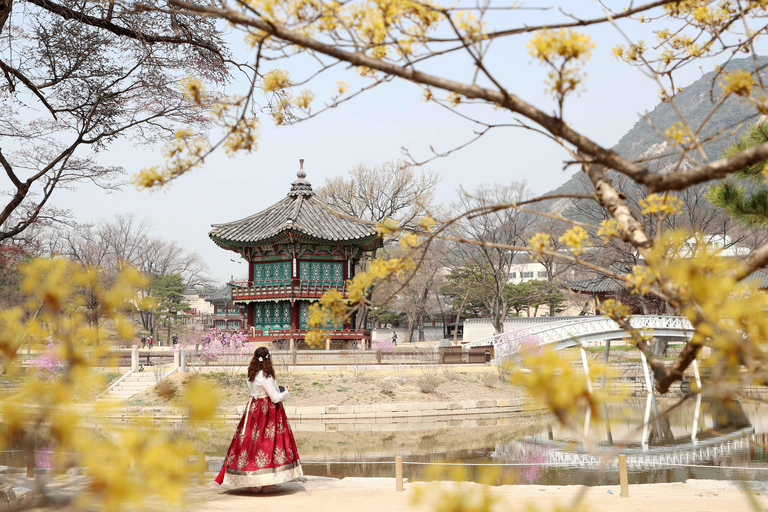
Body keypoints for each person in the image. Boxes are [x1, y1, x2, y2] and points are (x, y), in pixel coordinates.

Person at [215, 347, 302, 489]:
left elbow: (258, 390)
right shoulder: (265, 374)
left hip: (253, 410)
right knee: (268, 444)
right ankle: (268, 483)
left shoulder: (251, 373)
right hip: (267, 411)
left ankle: (250, 483)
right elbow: (274, 398)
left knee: (249, 445)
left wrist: (275, 387)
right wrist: (286, 392)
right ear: (268, 358)